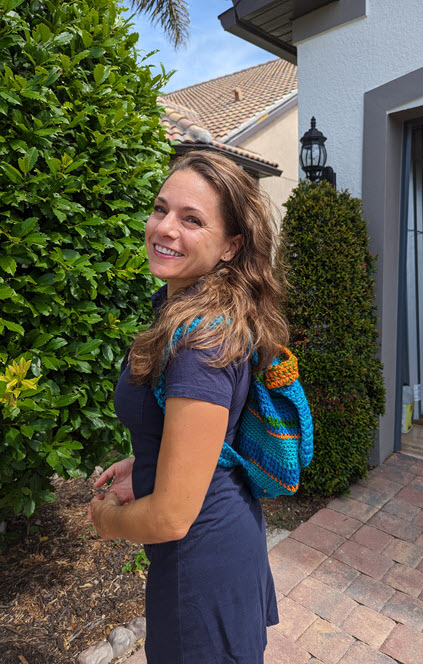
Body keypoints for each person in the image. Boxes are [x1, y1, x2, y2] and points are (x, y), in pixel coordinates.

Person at [87, 150, 289, 663]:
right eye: (161, 209)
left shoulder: (201, 341)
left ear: (230, 247)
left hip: (200, 564)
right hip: (221, 541)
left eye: (192, 219)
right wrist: (151, 461)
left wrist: (107, 523)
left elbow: (173, 516)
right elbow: (201, 432)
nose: (165, 227)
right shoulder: (194, 309)